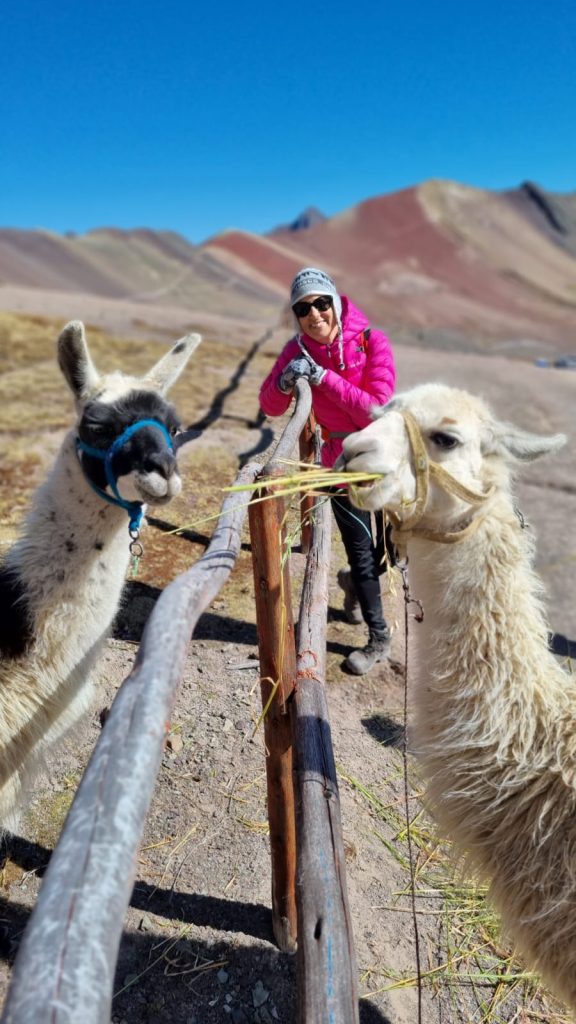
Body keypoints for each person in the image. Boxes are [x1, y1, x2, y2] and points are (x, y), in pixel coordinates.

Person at [259, 267, 396, 674]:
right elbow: (269, 406)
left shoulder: (373, 341)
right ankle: (379, 638)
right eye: (303, 308)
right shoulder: (295, 350)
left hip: (382, 458)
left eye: (321, 303)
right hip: (338, 466)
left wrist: (323, 378)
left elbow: (375, 408)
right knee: (361, 549)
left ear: (335, 303)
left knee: (390, 548)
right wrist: (286, 381)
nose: (314, 314)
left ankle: (355, 585)